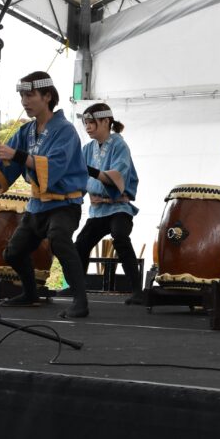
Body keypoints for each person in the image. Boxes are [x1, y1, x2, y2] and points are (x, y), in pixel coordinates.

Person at [0, 71, 89, 319]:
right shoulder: (26, 131)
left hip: (65, 203)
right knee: (14, 252)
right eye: (22, 96)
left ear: (47, 96)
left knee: (60, 240)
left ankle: (81, 301)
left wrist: (16, 155)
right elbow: (5, 162)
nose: (24, 101)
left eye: (30, 96)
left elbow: (54, 166)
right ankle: (31, 293)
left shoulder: (65, 130)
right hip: (38, 205)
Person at [73, 103, 144, 305]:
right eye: (85, 122)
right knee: (81, 243)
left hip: (118, 207)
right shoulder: (87, 149)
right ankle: (78, 289)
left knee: (120, 236)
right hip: (98, 210)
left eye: (92, 122)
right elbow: (79, 177)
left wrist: (94, 183)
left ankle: (137, 290)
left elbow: (117, 176)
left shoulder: (120, 146)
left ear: (106, 121)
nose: (87, 126)